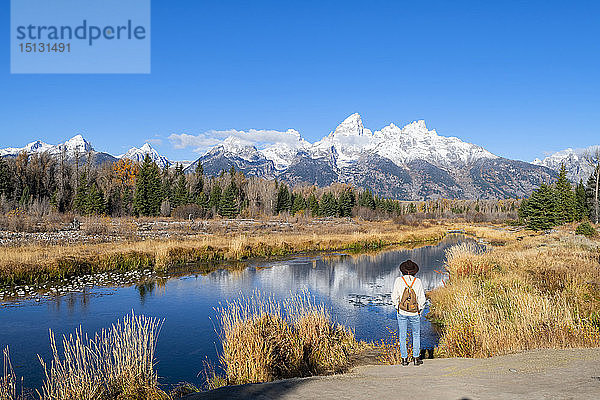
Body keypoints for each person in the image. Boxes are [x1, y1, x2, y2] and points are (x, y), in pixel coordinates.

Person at [391, 259, 426, 366]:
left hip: (402, 312)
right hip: (414, 313)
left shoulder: (398, 280)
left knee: (402, 335)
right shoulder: (418, 281)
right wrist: (419, 310)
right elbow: (422, 300)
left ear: (403, 270)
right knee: (416, 335)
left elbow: (394, 297)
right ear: (414, 271)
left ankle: (404, 359)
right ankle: (416, 358)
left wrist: (397, 307)